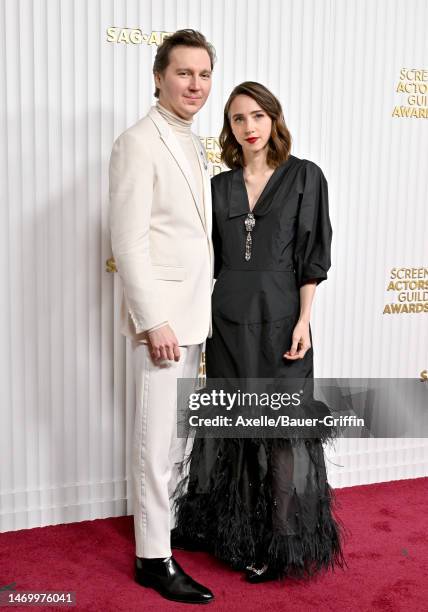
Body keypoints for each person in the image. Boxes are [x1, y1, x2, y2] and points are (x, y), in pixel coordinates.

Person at [173, 81, 347, 582]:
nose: (248, 127)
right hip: (226, 326)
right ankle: (235, 534)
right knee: (236, 433)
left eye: (256, 116)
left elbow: (313, 258)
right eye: (236, 119)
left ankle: (280, 540)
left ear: (273, 119)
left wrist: (304, 321)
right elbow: (203, 260)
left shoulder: (304, 177)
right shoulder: (218, 187)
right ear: (228, 128)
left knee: (283, 433)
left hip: (281, 325)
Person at [109, 30, 216, 604]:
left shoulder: (191, 141)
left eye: (203, 75)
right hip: (164, 323)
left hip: (193, 317)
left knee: (175, 441)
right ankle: (152, 559)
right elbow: (128, 243)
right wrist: (153, 321)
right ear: (158, 76)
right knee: (156, 443)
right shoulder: (138, 142)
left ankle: (164, 536)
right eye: (183, 73)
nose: (195, 85)